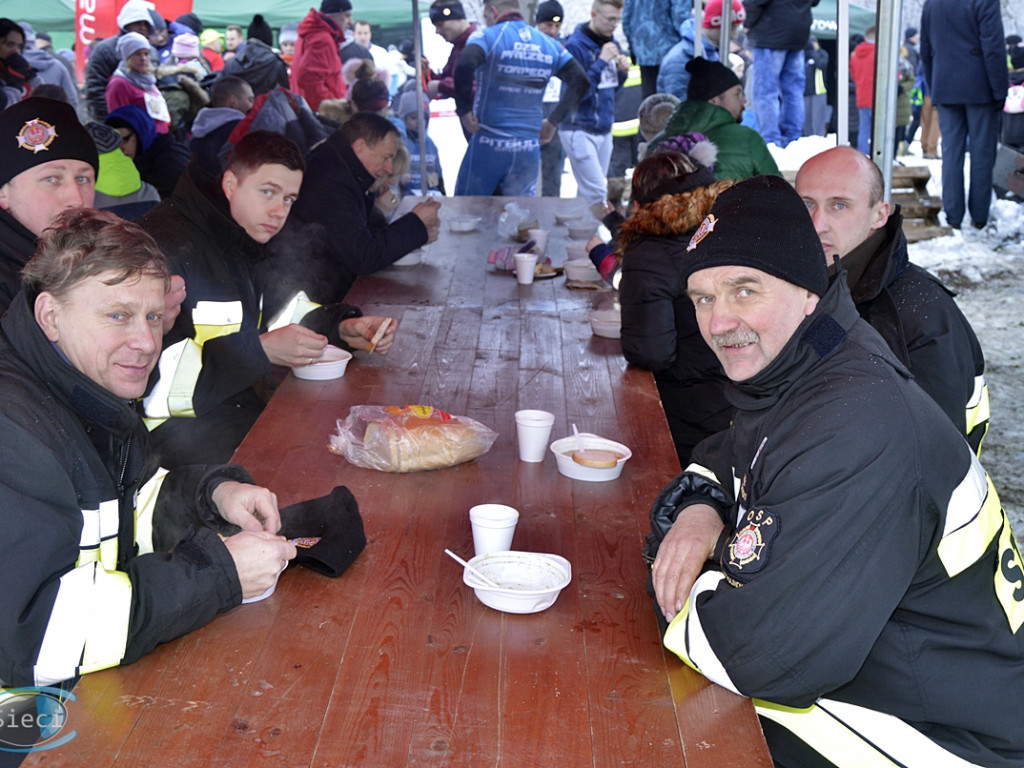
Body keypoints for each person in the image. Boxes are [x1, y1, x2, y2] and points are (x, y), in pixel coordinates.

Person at [646, 174, 1024, 767]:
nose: (718, 322)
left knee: (650, 726)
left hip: (951, 737)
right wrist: (700, 509)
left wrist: (679, 581)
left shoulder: (857, 421)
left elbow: (762, 658)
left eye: (745, 290)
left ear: (806, 292)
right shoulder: (809, 365)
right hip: (898, 682)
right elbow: (731, 451)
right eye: (703, 297)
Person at [0, 208, 296, 704]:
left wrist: (213, 495)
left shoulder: (82, 387)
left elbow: (124, 509)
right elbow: (33, 634)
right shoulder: (14, 430)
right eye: (118, 315)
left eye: (153, 317)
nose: (145, 343)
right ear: (51, 316)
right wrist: (217, 574)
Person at [138, 131, 396, 468]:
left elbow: (281, 313)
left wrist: (341, 327)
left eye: (289, 199)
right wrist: (259, 351)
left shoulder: (240, 234)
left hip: (233, 415)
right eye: (268, 192)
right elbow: (149, 385)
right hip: (170, 449)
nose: (279, 211)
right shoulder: (159, 247)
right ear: (231, 184)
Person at [796, 146, 989, 453]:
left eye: (840, 206)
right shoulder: (794, 288)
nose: (817, 223)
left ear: (880, 214)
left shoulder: (920, 313)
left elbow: (933, 457)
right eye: (806, 204)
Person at [616, 149, 734, 466]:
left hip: (691, 412)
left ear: (639, 206)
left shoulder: (649, 250)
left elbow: (651, 351)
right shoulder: (728, 225)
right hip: (747, 397)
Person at [272, 112, 441, 304]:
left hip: (314, 287)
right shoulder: (331, 180)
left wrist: (416, 231)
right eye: (386, 158)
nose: (388, 168)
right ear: (360, 146)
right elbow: (363, 256)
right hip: (306, 297)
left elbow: (369, 231)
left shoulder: (339, 166)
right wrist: (416, 224)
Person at [452, 0, 589, 196]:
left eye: (485, 15)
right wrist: (553, 121)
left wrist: (464, 111)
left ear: (493, 10)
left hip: (489, 143)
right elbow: (581, 80)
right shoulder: (549, 44)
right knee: (520, 217)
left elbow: (464, 64)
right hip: (527, 148)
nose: (486, 20)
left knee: (467, 212)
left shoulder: (487, 36)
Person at [0, 98, 98, 315]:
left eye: (83, 179)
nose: (76, 199)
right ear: (2, 193)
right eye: (52, 179)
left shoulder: (106, 253)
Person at [921, 0, 1007, 229]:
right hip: (980, 86)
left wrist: (934, 86)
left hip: (945, 84)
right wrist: (1000, 89)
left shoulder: (932, 4)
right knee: (982, 154)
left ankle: (953, 215)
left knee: (951, 153)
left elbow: (926, 50)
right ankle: (979, 216)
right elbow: (994, 46)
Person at [651, 57, 780, 181]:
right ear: (714, 101)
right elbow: (782, 195)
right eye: (737, 94)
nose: (744, 100)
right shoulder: (747, 139)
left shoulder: (655, 144)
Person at [559, 0, 631, 205]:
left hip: (603, 128)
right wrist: (601, 62)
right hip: (578, 127)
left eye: (617, 20)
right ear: (593, 14)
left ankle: (579, 234)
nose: (614, 25)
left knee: (587, 193)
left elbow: (609, 90)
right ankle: (599, 236)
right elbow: (575, 93)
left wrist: (622, 73)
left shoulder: (612, 44)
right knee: (597, 192)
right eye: (610, 19)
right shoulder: (575, 45)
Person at [744, 0, 816, 147]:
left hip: (770, 32)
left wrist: (747, 23)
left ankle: (770, 141)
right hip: (799, 33)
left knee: (765, 91)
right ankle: (792, 138)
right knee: (794, 91)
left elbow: (754, 2)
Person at [656, 0, 745, 100]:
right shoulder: (679, 62)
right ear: (716, 25)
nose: (734, 35)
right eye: (732, 28)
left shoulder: (713, 52)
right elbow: (681, 110)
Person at [83, 0, 154, 121]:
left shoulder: (152, 51)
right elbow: (95, 89)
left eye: (145, 24)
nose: (142, 27)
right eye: (137, 23)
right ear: (126, 24)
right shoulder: (105, 50)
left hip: (144, 122)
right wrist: (110, 121)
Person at [106, 103, 191, 199]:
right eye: (114, 142)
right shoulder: (131, 160)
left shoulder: (172, 161)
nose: (120, 148)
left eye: (125, 139)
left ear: (140, 134)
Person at [105, 32, 172, 135]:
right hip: (142, 143)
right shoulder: (119, 83)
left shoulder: (148, 79)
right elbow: (119, 122)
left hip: (160, 137)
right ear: (127, 57)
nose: (143, 59)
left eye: (146, 54)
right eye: (137, 54)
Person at [621, 0, 691, 98]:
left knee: (650, 102)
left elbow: (626, 18)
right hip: (672, 51)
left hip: (643, 49)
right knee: (673, 100)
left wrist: (634, 45)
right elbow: (680, 18)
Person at [290, 0, 350, 111]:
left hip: (311, 111)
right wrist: (335, 108)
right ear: (334, 15)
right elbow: (310, 81)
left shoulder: (311, 34)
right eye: (347, 16)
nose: (350, 22)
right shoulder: (322, 39)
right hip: (325, 116)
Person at [190, 75, 256, 171]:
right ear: (233, 101)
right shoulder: (240, 129)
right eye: (250, 100)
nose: (252, 105)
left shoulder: (199, 127)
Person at [536, 0, 565, 197]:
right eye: (548, 25)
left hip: (555, 121)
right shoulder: (529, 48)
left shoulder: (564, 50)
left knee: (552, 179)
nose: (553, 31)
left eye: (557, 26)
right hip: (529, 119)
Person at [221, 13, 290, 96]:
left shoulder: (231, 63)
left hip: (237, 108)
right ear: (268, 38)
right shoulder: (276, 64)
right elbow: (285, 95)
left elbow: (220, 93)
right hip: (268, 107)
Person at [18, 22, 79, 110]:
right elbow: (72, 99)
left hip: (13, 120)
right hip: (52, 119)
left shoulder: (6, 65)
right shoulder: (56, 65)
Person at [849, 26, 876, 155]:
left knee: (863, 130)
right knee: (879, 132)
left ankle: (863, 156)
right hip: (878, 97)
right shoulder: (880, 52)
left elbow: (854, 76)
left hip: (862, 96)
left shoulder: (855, 55)